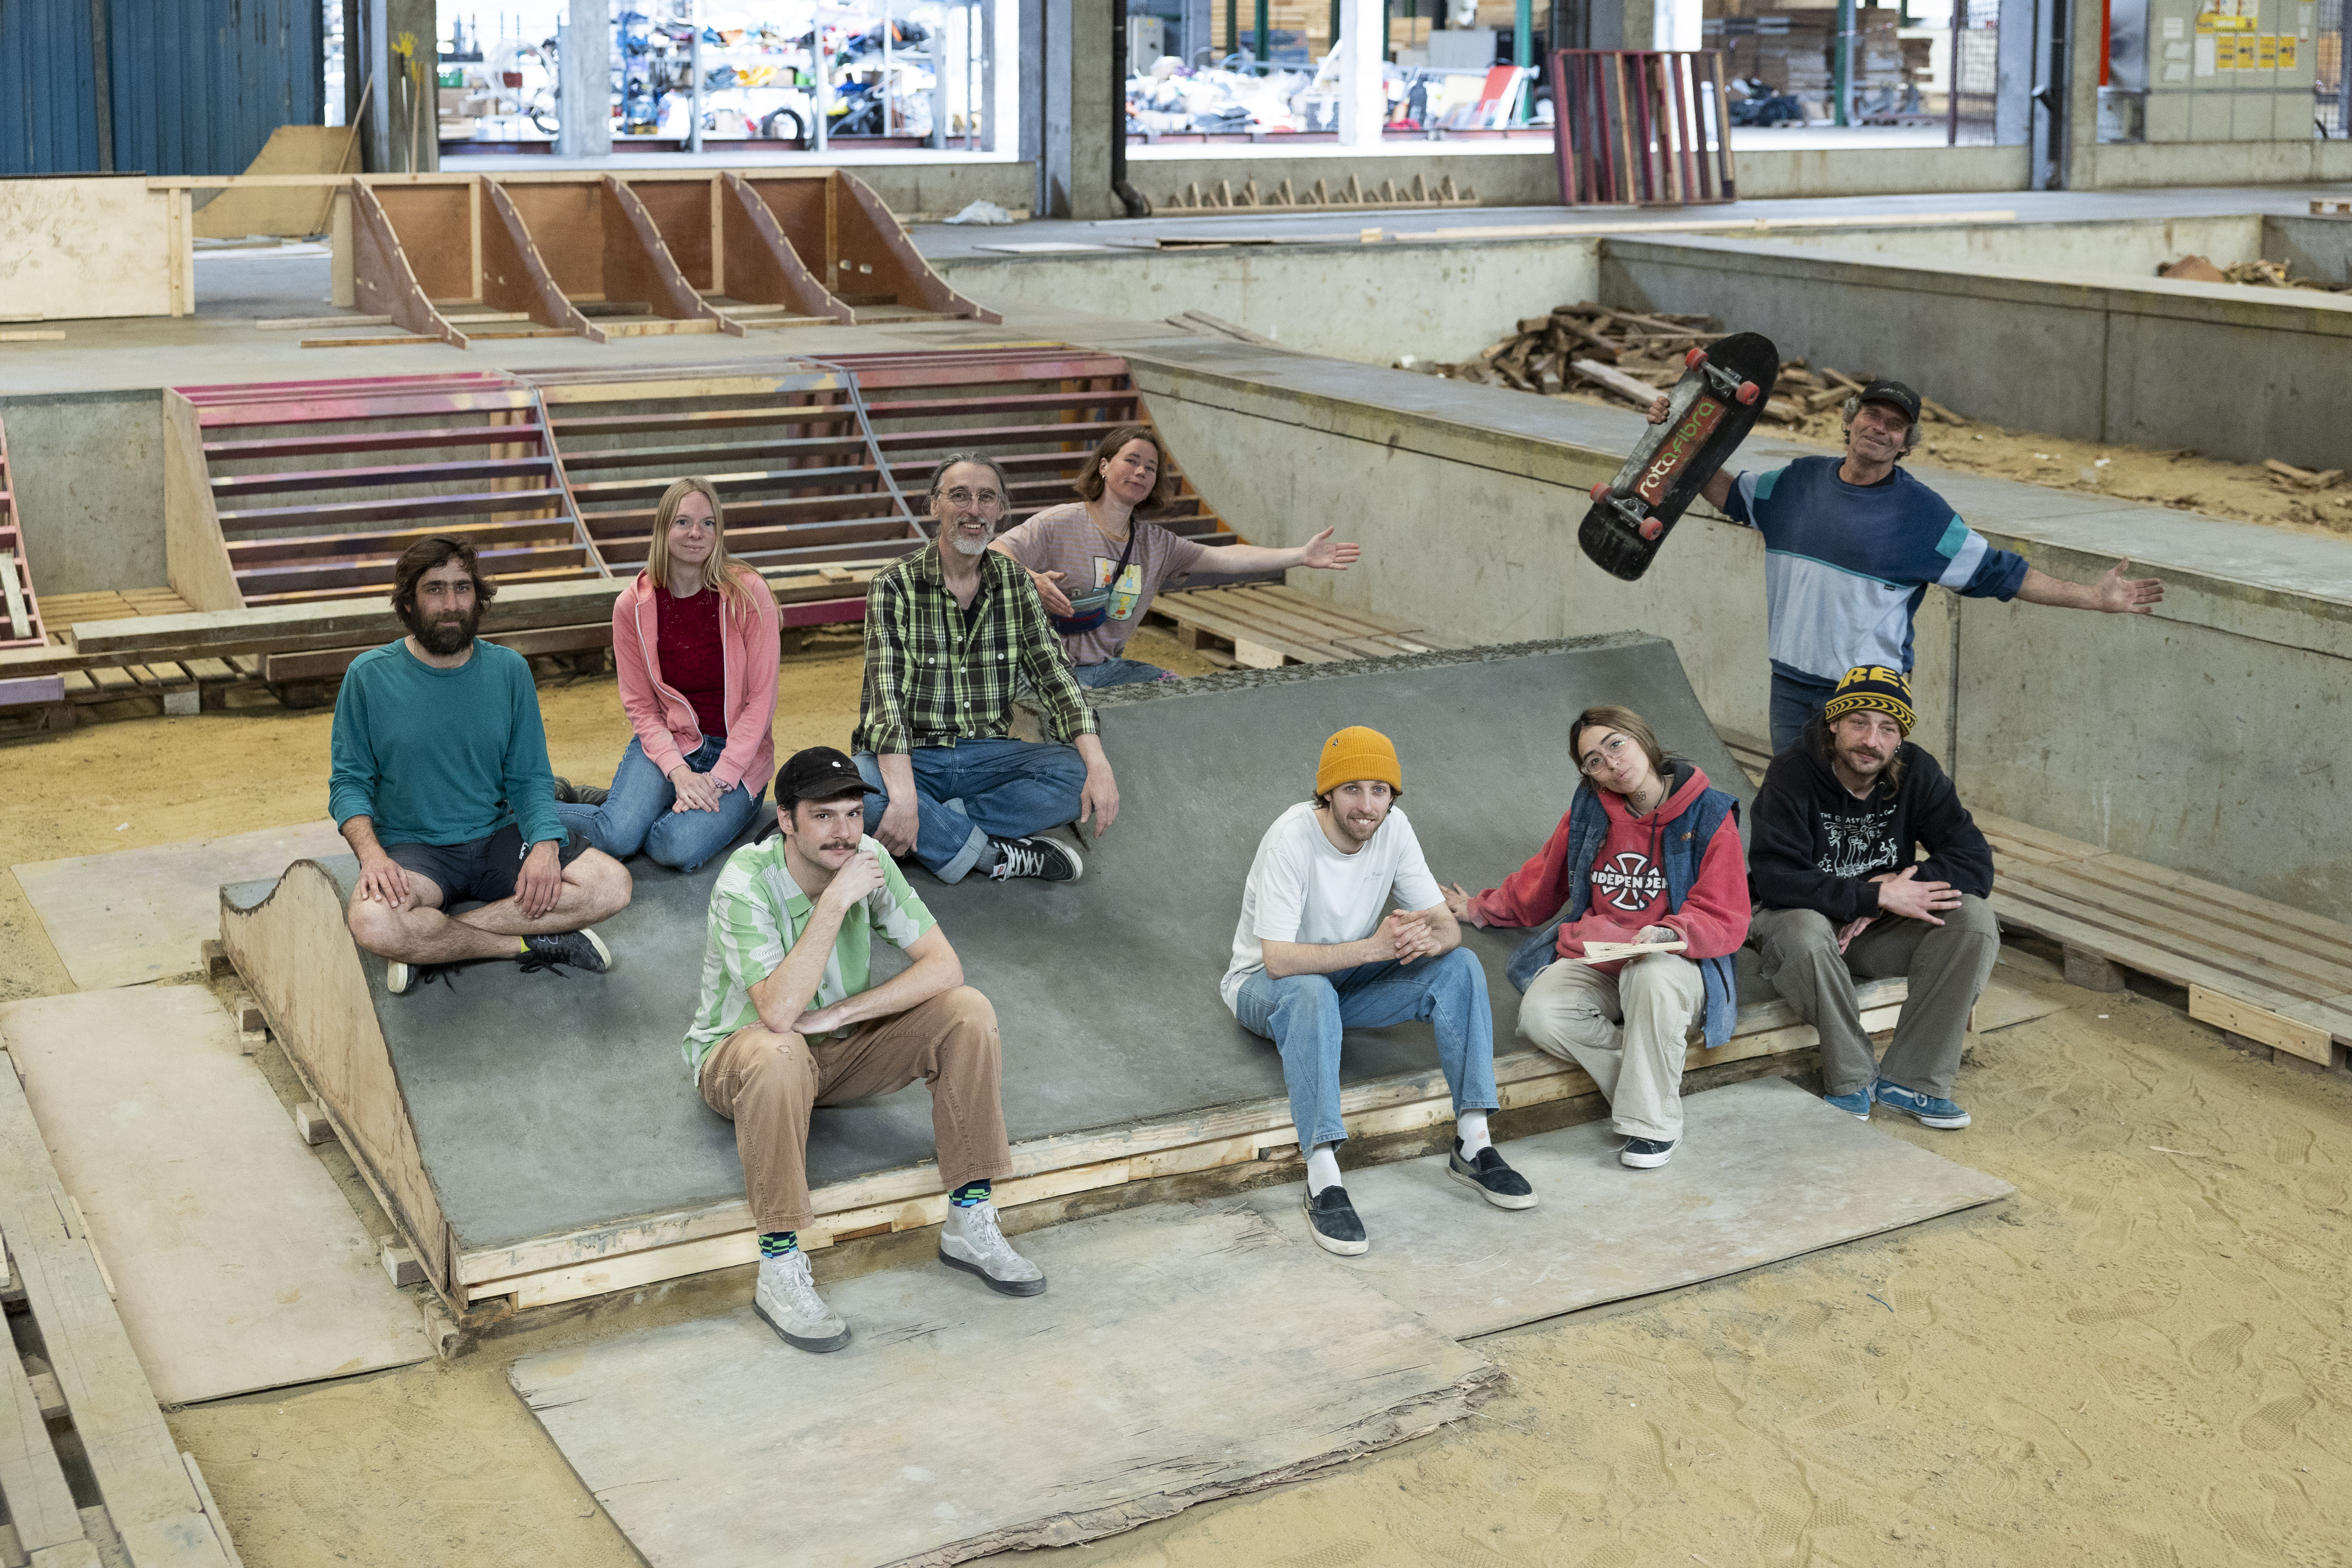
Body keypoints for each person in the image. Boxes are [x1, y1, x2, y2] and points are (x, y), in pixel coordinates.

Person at [686, 746, 1041, 1354]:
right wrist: (833, 902)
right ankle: (779, 1265)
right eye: (824, 816)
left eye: (853, 813)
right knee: (780, 1050)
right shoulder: (745, 883)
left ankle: (970, 1218)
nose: (845, 832)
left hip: (834, 1050)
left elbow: (944, 966)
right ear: (788, 819)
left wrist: (846, 1013)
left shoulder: (868, 858)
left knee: (968, 1011)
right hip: (743, 1061)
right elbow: (776, 1013)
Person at [1651, 378, 2165, 750]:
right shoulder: (1795, 483)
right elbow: (1726, 492)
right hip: (1790, 683)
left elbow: (2004, 574)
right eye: (1872, 416)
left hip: (1869, 694)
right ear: (1850, 421)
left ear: (1907, 443)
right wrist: (1677, 436)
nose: (1881, 429)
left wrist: (2095, 598)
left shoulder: (1923, 516)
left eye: (1896, 425)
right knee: (1792, 807)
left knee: (1860, 814)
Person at [1223, 726, 1533, 1257]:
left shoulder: (1395, 828)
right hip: (1267, 988)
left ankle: (1474, 1143)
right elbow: (1278, 960)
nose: (1367, 806)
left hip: (1345, 980)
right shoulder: (1291, 838)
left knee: (1459, 966)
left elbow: (1449, 930)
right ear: (1328, 793)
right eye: (1353, 789)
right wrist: (1376, 948)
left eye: (1380, 791)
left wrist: (1420, 938)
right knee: (1312, 994)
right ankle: (1323, 1176)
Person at [1443, 705, 1749, 1170]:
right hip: (1601, 956)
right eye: (1593, 761)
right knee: (1541, 1015)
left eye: (1615, 744)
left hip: (1673, 964)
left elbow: (1726, 913)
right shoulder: (1591, 809)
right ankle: (1648, 1085)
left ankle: (1652, 1128)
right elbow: (1545, 877)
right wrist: (1480, 908)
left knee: (1651, 976)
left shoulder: (1708, 813)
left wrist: (1671, 931)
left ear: (1641, 737)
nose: (1610, 763)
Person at [331, 536, 631, 995]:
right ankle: (525, 943)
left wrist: (546, 848)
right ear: (408, 604)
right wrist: (372, 858)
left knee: (611, 885)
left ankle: (433, 942)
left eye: (463, 588)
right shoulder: (369, 677)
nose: (451, 604)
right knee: (372, 921)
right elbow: (348, 784)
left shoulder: (508, 670)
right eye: (434, 590)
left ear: (478, 597)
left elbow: (530, 777)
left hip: (498, 837)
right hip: (416, 852)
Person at [852, 451, 1121, 886]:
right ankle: (991, 854)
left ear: (1000, 510)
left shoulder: (1016, 584)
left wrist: (1099, 764)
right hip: (914, 756)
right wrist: (902, 794)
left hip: (986, 756)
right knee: (858, 786)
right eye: (959, 496)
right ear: (934, 505)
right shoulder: (894, 584)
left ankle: (934, 832)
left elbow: (1055, 677)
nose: (974, 509)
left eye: (986, 498)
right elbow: (886, 702)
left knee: (1076, 774)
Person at [1748, 666, 1998, 1129]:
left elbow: (1975, 859)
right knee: (1805, 932)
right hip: (1796, 918)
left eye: (1888, 729)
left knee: (1974, 918)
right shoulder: (1793, 772)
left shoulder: (1917, 770)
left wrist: (1905, 882)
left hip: (1870, 931)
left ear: (1900, 738)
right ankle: (1852, 1077)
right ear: (1834, 725)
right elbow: (1776, 878)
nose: (1872, 740)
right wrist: (1872, 896)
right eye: (1859, 722)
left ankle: (1914, 1081)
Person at [992, 423, 1361, 686]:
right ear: (1104, 466)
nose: (1140, 472)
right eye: (1131, 461)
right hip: (1041, 671)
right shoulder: (1060, 523)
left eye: (1150, 468)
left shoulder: (1158, 545)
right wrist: (1031, 580)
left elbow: (1225, 559)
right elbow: (996, 550)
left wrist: (1299, 555)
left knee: (1179, 693)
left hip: (1103, 670)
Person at [556, 478, 779, 872]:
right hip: (674, 743)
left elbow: (761, 702)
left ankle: (634, 804)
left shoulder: (748, 594)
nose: (696, 533)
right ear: (663, 529)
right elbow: (641, 707)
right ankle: (530, 805)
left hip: (740, 758)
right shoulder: (632, 606)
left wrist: (719, 779)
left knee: (673, 845)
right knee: (618, 837)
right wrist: (678, 773)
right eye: (683, 522)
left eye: (708, 524)